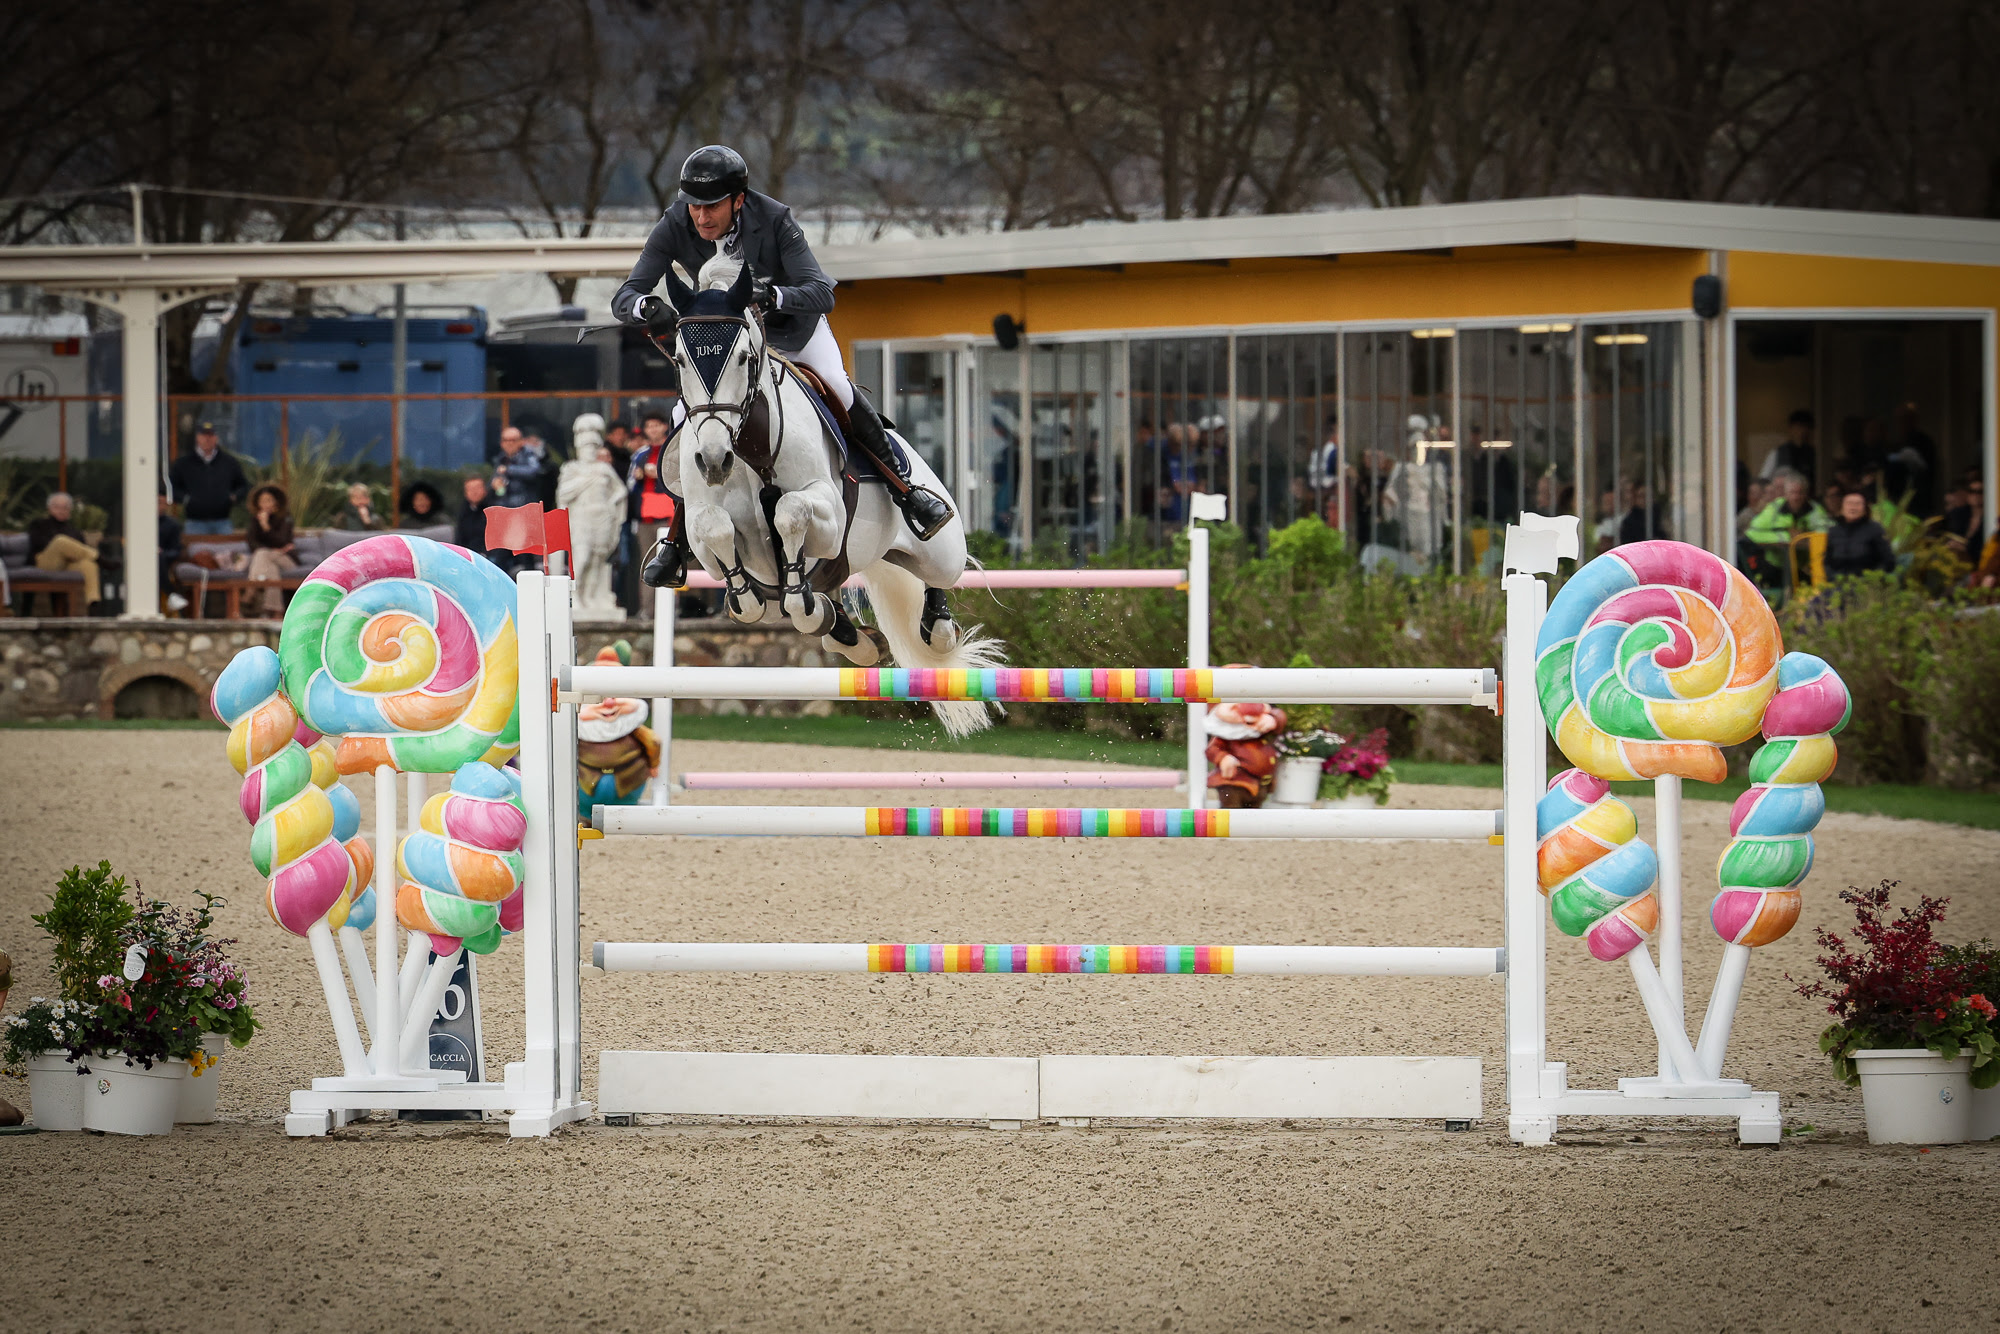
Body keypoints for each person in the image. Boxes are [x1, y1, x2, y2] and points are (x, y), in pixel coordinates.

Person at [613, 145, 952, 588]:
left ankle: (905, 493)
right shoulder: (675, 222)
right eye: (694, 206)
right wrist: (645, 306)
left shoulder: (774, 219)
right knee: (687, 417)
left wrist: (773, 296)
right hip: (731, 344)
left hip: (794, 334)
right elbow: (624, 295)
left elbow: (821, 291)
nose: (700, 217)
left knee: (839, 389)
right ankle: (677, 538)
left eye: (711, 205)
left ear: (738, 199)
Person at [167, 420, 249, 535]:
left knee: (226, 552)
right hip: (194, 523)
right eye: (204, 435)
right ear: (197, 438)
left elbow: (243, 485)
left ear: (216, 438)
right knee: (196, 553)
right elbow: (171, 487)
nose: (207, 439)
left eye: (211, 435)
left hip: (223, 522)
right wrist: (186, 500)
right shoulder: (184, 463)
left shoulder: (229, 462)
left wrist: (233, 497)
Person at [28, 491, 102, 612]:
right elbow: (37, 543)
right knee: (60, 541)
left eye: (65, 507)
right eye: (57, 507)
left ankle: (93, 603)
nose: (61, 510)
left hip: (66, 565)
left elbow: (80, 550)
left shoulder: (74, 531)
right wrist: (63, 548)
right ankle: (100, 558)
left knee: (88, 564)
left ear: (70, 511)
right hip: (44, 562)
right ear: (49, 508)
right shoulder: (39, 525)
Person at [243, 483, 297, 615]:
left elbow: (282, 540)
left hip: (287, 560)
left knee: (262, 554)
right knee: (270, 567)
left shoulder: (286, 518)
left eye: (268, 500)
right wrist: (271, 550)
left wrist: (266, 526)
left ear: (276, 502)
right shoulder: (255, 520)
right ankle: (275, 610)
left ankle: (251, 590)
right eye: (262, 501)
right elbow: (252, 543)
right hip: (269, 560)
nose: (265, 504)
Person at [1822, 489, 1897, 580]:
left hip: (1868, 585)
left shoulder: (1875, 529)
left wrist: (1872, 578)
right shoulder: (1834, 531)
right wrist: (1834, 578)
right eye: (1849, 503)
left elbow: (1888, 562)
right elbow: (1827, 562)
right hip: (1839, 584)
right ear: (1842, 508)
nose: (1853, 508)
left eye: (1857, 504)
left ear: (1865, 509)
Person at [490, 426, 549, 508]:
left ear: (521, 441)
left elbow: (534, 471)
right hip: (505, 506)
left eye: (513, 440)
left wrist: (509, 470)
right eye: (506, 440)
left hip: (525, 506)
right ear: (501, 443)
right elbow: (495, 481)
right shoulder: (501, 459)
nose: (509, 443)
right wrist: (495, 484)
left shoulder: (528, 455)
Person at [1760, 409, 1816, 484]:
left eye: (1806, 427)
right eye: (1799, 427)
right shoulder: (1778, 452)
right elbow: (1764, 479)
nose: (1802, 431)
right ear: (1791, 428)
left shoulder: (1813, 454)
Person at [456, 475, 494, 559]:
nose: (474, 492)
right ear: (465, 493)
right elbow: (459, 539)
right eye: (470, 489)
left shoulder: (493, 510)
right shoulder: (464, 513)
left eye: (477, 488)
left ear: (485, 490)